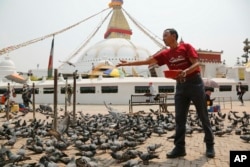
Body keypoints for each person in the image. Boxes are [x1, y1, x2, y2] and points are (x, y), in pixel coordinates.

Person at [116, 28, 215, 158]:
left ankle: (210, 145)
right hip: (180, 86)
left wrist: (186, 71)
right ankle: (179, 148)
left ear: (173, 36)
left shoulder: (186, 47)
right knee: (179, 119)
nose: (163, 38)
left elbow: (196, 64)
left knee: (203, 116)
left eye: (165, 35)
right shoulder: (165, 53)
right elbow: (148, 61)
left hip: (195, 84)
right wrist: (128, 63)